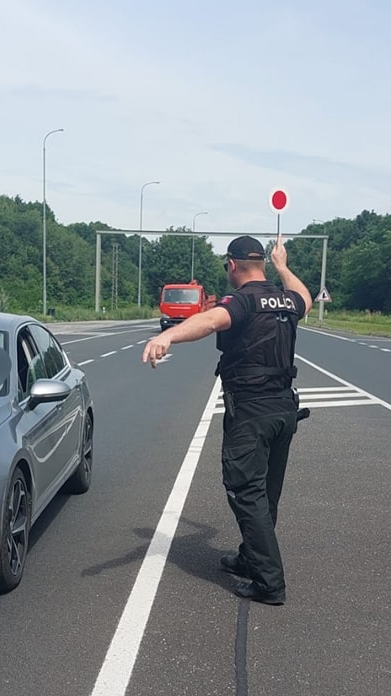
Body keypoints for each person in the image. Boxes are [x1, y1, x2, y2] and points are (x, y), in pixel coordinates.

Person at [141, 234, 312, 605]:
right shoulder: (286, 298)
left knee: (246, 492)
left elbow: (210, 320)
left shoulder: (243, 300)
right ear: (262, 264)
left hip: (251, 411)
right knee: (265, 493)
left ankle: (269, 582)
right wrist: (283, 267)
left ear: (232, 266)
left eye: (227, 268)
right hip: (283, 408)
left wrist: (169, 335)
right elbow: (306, 299)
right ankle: (251, 556)